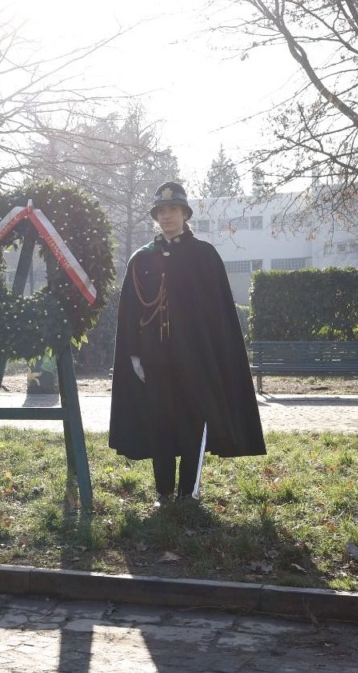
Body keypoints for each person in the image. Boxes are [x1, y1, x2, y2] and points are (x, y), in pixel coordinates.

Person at [109, 181, 266, 503]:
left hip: (195, 359)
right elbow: (130, 312)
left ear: (184, 214)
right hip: (154, 359)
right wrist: (134, 355)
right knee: (160, 425)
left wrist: (215, 358)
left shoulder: (204, 256)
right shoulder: (141, 259)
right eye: (161, 211)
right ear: (156, 216)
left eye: (173, 209)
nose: (167, 216)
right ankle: (164, 491)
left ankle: (188, 492)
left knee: (193, 423)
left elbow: (219, 314)